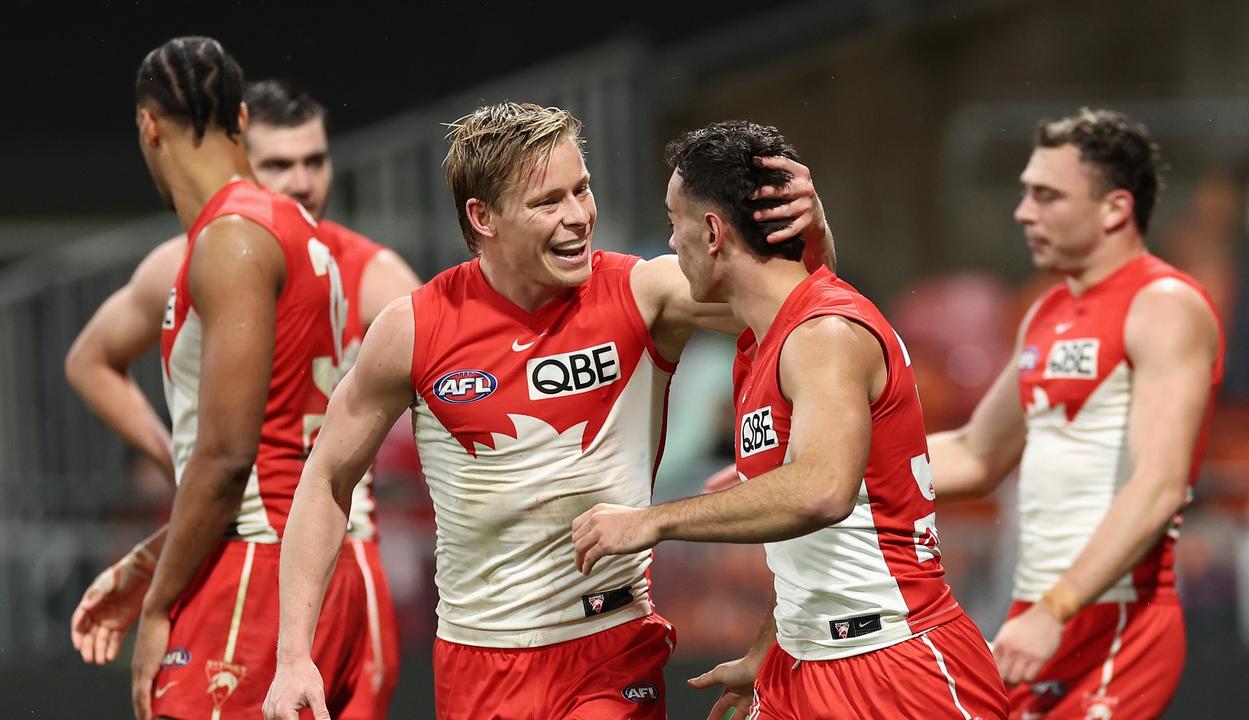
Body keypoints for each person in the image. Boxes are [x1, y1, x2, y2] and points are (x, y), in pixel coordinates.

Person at [262, 102, 833, 720]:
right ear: (483, 218)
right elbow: (326, 477)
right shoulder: (414, 328)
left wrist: (816, 235)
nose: (577, 217)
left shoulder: (645, 294)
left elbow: (810, 318)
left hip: (612, 653)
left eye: (582, 189)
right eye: (546, 202)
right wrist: (294, 655)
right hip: (478, 665)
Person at [570, 121, 1008, 720]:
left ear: (713, 231)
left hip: (896, 672)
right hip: (805, 665)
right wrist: (766, 651)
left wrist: (652, 522)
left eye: (674, 224)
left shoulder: (825, 333)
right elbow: (818, 541)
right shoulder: (763, 341)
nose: (670, 244)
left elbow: (823, 491)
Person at [65, 78, 418, 717]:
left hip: (324, 554)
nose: (303, 181)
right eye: (279, 163)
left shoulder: (376, 274)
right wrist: (179, 461)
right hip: (262, 545)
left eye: (315, 160)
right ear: (239, 158)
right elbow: (89, 361)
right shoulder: (193, 257)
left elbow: (452, 410)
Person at [925, 108, 1223, 719]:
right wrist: (834, 465)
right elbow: (976, 454)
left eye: (1046, 195)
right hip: (1035, 618)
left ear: (1114, 209)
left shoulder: (1164, 305)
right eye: (1025, 193)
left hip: (1115, 621)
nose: (1023, 212)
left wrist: (1055, 609)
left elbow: (1160, 486)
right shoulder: (1048, 311)